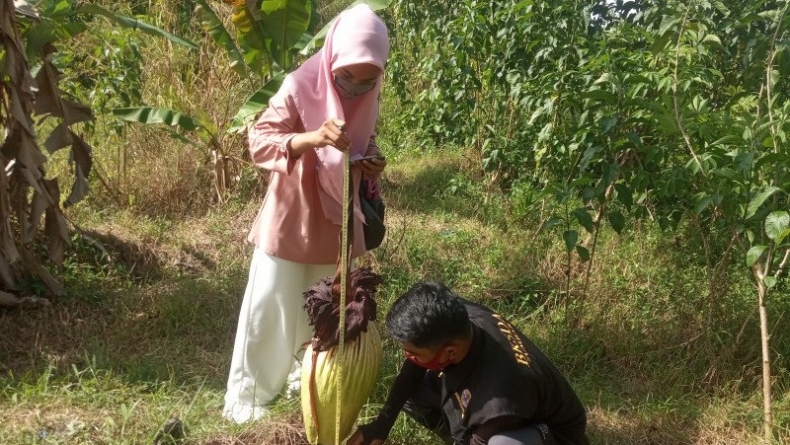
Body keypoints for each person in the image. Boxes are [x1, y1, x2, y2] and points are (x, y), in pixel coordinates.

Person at [222, 4, 390, 424]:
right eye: (346, 78)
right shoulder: (299, 84)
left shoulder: (369, 93)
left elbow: (361, 141)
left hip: (339, 220)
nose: (355, 89)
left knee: (323, 303)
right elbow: (259, 140)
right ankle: (250, 396)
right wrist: (312, 138)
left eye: (367, 82)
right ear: (332, 60)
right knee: (271, 302)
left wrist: (370, 160)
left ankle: (309, 378)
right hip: (292, 214)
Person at [347, 282, 590, 445]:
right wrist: (381, 426)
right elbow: (411, 373)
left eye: (412, 352)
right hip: (503, 402)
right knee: (411, 391)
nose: (407, 357)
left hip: (552, 435)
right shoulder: (458, 316)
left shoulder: (499, 402)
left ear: (449, 352)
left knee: (501, 444)